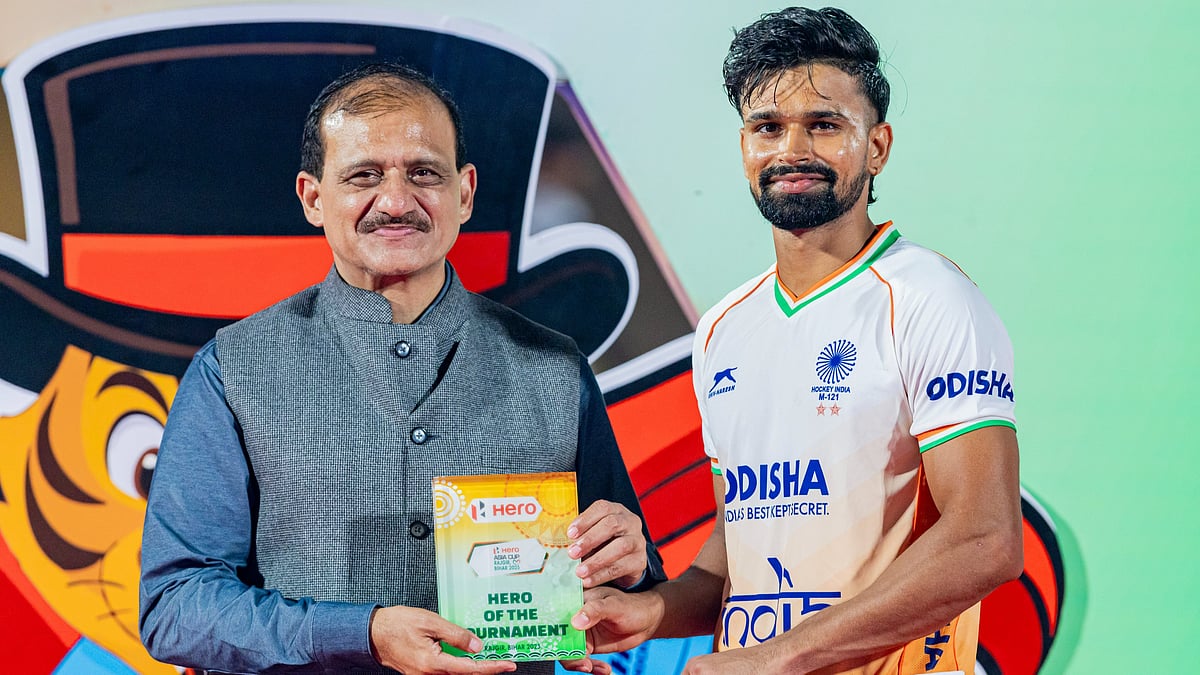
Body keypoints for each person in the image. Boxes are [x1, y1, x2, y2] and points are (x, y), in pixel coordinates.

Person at [139, 62, 664, 675]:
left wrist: (631, 563)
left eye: (424, 174)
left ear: (464, 193)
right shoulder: (234, 369)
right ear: (313, 198)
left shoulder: (553, 366)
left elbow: (624, 585)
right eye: (363, 175)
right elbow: (175, 607)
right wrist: (360, 633)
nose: (395, 201)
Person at [573, 7, 1022, 675]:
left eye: (824, 125)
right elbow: (743, 553)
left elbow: (986, 539)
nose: (791, 151)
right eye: (767, 128)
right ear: (744, 146)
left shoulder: (929, 296)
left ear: (878, 146)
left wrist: (776, 659)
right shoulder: (725, 328)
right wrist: (654, 612)